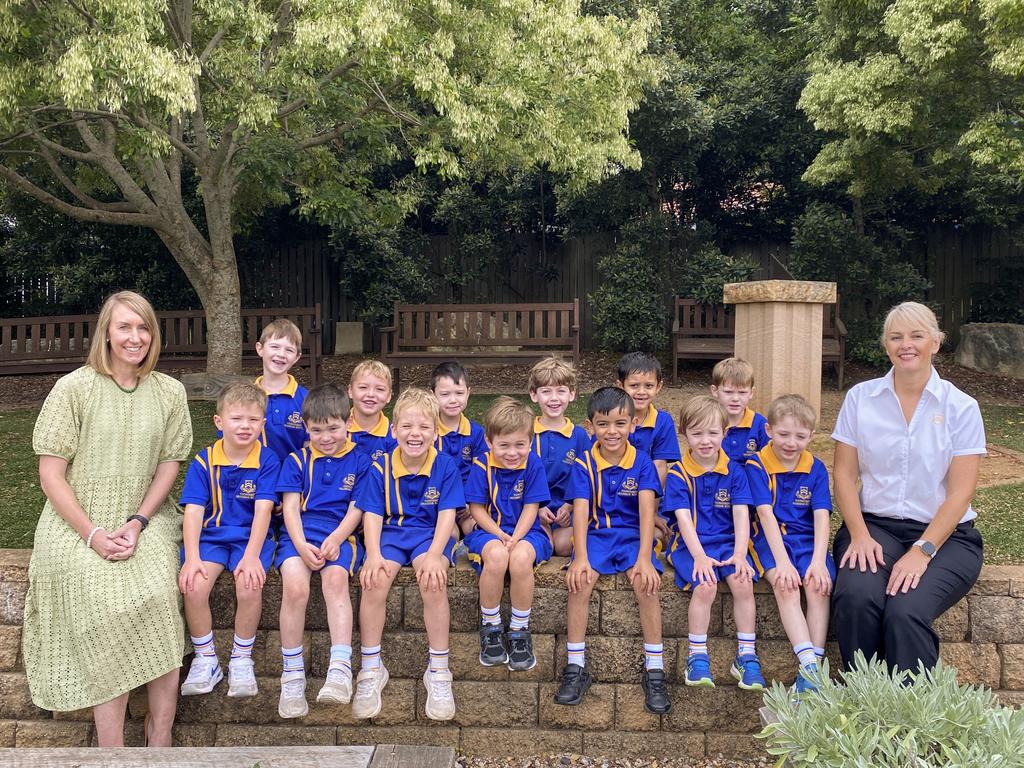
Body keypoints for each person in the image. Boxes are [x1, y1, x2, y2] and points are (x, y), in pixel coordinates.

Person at [24, 290, 193, 747]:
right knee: (104, 607)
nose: (135, 337)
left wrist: (138, 520)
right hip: (75, 521)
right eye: (125, 327)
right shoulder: (73, 388)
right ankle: (111, 748)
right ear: (107, 333)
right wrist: (93, 534)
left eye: (143, 328)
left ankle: (160, 737)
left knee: (160, 597)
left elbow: (168, 464)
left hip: (145, 516)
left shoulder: (169, 391)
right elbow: (51, 475)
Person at [831, 301, 985, 673]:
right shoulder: (860, 399)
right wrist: (859, 535)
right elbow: (842, 475)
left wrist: (923, 549)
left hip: (947, 538)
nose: (906, 345)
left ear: (935, 342)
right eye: (896, 337)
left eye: (917, 336)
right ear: (885, 346)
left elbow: (961, 493)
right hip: (874, 528)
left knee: (905, 611)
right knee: (855, 598)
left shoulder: (961, 407)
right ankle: (863, 702)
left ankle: (909, 720)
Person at [555, 387, 670, 715]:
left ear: (633, 424)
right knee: (579, 582)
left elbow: (647, 513)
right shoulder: (584, 463)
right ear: (590, 427)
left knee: (647, 585)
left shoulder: (643, 462)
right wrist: (580, 557)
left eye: (620, 423)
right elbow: (580, 510)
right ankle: (576, 667)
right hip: (597, 536)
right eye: (603, 424)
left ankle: (655, 670)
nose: (612, 431)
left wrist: (645, 559)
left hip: (633, 537)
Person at [353, 388, 464, 721]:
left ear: (435, 431)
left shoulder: (445, 465)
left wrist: (434, 555)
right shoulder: (380, 466)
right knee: (374, 581)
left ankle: (439, 670)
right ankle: (371, 669)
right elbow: (371, 514)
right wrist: (372, 554)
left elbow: (447, 515)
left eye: (424, 428)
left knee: (432, 581)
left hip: (430, 536)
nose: (415, 434)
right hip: (392, 535)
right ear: (394, 429)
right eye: (407, 427)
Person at [178, 383, 280, 699]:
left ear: (263, 424)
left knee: (249, 585)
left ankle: (241, 658)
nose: (245, 426)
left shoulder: (268, 460)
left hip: (251, 538)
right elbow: (193, 512)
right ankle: (206, 657)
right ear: (219, 422)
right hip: (212, 538)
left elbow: (264, 511)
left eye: (253, 420)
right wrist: (192, 557)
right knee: (194, 585)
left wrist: (251, 557)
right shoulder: (204, 461)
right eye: (237, 419)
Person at [275, 385, 371, 717]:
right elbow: (289, 508)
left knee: (334, 582)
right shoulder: (296, 460)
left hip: (340, 535)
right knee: (295, 586)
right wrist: (301, 545)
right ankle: (292, 675)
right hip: (298, 536)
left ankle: (340, 669)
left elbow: (358, 508)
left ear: (349, 422)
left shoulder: (361, 460)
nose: (326, 436)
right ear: (306, 428)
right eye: (317, 430)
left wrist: (337, 538)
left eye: (333, 428)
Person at [664, 396, 764, 691]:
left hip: (728, 543)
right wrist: (699, 557)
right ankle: (697, 656)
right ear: (685, 434)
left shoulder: (735, 471)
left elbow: (741, 514)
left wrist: (740, 553)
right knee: (705, 585)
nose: (705, 441)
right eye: (697, 433)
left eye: (712, 433)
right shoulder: (678, 473)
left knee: (743, 582)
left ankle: (746, 656)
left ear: (724, 433)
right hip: (690, 545)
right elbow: (683, 520)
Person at [746, 394, 834, 693]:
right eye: (783, 434)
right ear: (769, 431)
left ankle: (813, 672)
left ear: (811, 436)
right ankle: (808, 664)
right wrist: (782, 562)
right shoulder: (757, 465)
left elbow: (822, 515)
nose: (791, 443)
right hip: (770, 541)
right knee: (786, 586)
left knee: (818, 586)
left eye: (800, 436)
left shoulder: (816, 467)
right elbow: (765, 515)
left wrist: (819, 561)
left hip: (807, 540)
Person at [465, 397, 553, 671]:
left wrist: (515, 537)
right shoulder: (482, 465)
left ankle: (519, 629)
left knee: (520, 558)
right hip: (489, 531)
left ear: (530, 441)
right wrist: (500, 536)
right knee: (497, 555)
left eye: (520, 445)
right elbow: (477, 509)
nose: (512, 452)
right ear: (490, 442)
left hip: (527, 532)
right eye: (504, 445)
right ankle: (490, 625)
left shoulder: (533, 464)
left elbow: (531, 507)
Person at [528, 357, 590, 556]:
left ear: (572, 394)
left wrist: (569, 507)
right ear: (534, 395)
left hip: (567, 511)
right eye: (546, 391)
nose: (554, 398)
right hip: (532, 509)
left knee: (563, 545)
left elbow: (586, 478)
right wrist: (537, 508)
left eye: (561, 391)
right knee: (546, 543)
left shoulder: (580, 436)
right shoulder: (525, 433)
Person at [431, 361, 487, 537]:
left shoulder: (476, 432)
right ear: (433, 395)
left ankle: (469, 545)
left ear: (468, 393)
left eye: (459, 393)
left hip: (467, 504)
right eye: (445, 394)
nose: (453, 400)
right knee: (450, 533)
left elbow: (481, 472)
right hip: (435, 503)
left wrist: (472, 503)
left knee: (475, 526)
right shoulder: (427, 431)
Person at [615, 352, 681, 487]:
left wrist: (654, 503)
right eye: (634, 385)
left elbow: (660, 466)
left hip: (648, 489)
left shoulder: (662, 422)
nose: (641, 392)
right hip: (613, 489)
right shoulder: (611, 419)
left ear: (658, 387)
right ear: (620, 386)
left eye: (649, 386)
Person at [254, 318, 309, 462]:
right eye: (275, 347)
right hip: (253, 480)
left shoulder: (306, 399)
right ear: (260, 349)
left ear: (297, 357)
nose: (281, 354)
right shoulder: (244, 398)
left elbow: (311, 445)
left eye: (289, 350)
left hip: (293, 480)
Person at [711, 357, 769, 462]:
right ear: (715, 391)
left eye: (742, 392)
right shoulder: (708, 422)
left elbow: (768, 462)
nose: (735, 399)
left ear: (751, 392)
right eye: (728, 392)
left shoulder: (760, 425)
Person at [347, 360, 399, 462]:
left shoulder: (393, 435)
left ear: (389, 396)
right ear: (350, 391)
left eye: (379, 389)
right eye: (363, 387)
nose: (371, 394)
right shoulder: (337, 430)